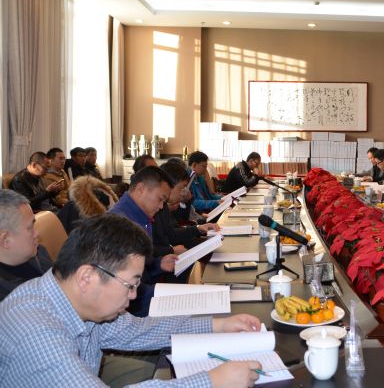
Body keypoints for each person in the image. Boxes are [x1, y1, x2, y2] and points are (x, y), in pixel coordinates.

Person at [0, 214, 262, 387]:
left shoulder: (73, 298)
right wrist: (211, 382)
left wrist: (218, 325)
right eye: (130, 284)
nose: (135, 295)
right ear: (87, 277)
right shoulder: (37, 333)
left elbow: (138, 330)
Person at [109, 166, 179, 316]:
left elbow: (139, 269)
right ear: (141, 189)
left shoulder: (140, 217)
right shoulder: (120, 225)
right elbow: (125, 290)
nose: (161, 207)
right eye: (160, 199)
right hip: (129, 307)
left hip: (143, 292)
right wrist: (172, 296)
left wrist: (158, 264)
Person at [0, 190, 52, 301]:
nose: (37, 233)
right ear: (5, 240)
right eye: (30, 227)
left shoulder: (38, 252)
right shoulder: (7, 298)